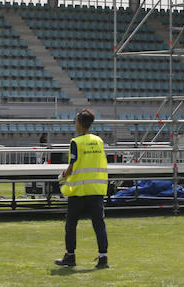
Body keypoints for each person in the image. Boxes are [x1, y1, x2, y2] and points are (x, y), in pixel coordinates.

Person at [55, 108, 110, 270]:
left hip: (79, 191)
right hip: (96, 189)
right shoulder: (99, 141)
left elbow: (72, 168)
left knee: (71, 224)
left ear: (79, 123)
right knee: (99, 224)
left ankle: (70, 256)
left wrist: (62, 175)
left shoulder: (75, 142)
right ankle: (103, 258)